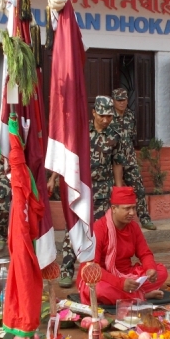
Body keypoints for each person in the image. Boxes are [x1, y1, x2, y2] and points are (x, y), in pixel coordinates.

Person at [50, 96, 126, 288]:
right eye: (102, 115)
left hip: (103, 190)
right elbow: (64, 157)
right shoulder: (80, 132)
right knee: (73, 230)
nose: (106, 119)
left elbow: (117, 164)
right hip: (80, 188)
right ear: (94, 113)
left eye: (109, 116)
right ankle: (67, 270)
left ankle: (97, 269)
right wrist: (52, 179)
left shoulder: (114, 136)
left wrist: (117, 190)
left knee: (101, 231)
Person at [79, 186, 168, 305]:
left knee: (161, 271)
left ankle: (129, 295)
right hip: (100, 277)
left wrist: (150, 269)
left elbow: (145, 253)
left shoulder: (134, 227)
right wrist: (120, 283)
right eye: (127, 209)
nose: (132, 213)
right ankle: (142, 295)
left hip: (126, 274)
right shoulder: (98, 229)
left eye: (133, 208)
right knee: (100, 290)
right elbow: (92, 267)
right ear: (114, 208)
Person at [111, 87, 155, 231]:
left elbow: (132, 136)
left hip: (129, 160)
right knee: (111, 192)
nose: (122, 103)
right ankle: (111, 222)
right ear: (113, 101)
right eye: (119, 100)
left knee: (139, 189)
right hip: (112, 161)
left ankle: (145, 218)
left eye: (124, 100)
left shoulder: (130, 116)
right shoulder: (109, 117)